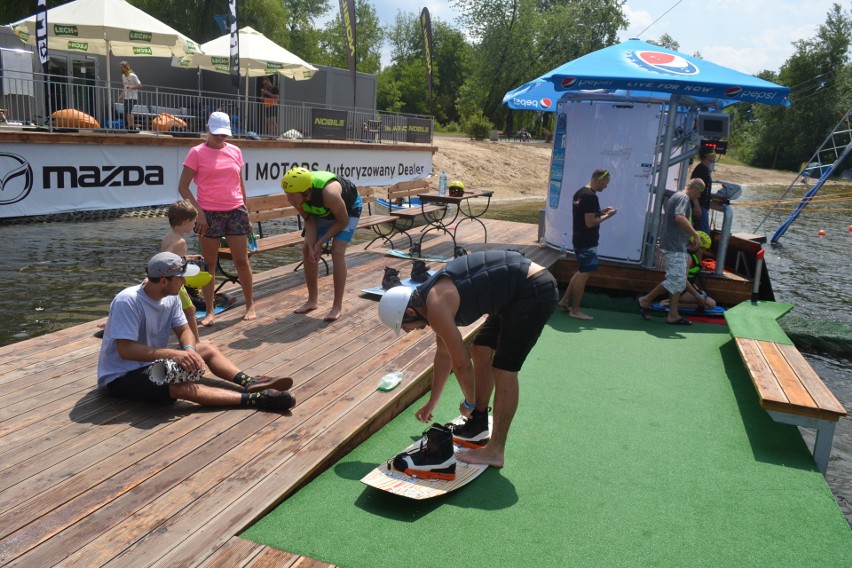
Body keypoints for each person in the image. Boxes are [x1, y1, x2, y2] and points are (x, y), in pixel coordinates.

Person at [378, 250, 558, 470]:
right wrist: (432, 402)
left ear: (410, 311)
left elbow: (461, 363)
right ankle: (478, 422)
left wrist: (469, 401)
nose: (408, 331)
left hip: (533, 290)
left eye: (405, 326)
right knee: (481, 348)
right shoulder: (429, 299)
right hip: (515, 294)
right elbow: (444, 356)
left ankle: (495, 451)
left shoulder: (436, 306)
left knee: (505, 369)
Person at [97, 252, 295, 411]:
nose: (184, 283)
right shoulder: (128, 301)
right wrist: (176, 354)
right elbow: (126, 350)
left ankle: (249, 381)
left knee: (205, 348)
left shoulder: (172, 296)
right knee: (179, 388)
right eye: (180, 279)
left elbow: (184, 329)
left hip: (152, 363)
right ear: (164, 281)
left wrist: (190, 349)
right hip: (121, 376)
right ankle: (256, 399)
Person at [178, 112, 256, 326]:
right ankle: (210, 310)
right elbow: (183, 187)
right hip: (208, 214)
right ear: (208, 128)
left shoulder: (235, 151)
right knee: (209, 264)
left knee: (242, 261)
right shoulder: (196, 153)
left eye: (224, 134)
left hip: (236, 211)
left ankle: (250, 304)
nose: (221, 138)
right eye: (217, 133)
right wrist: (199, 213)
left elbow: (240, 184)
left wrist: (246, 211)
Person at [281, 167, 363, 322]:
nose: (288, 199)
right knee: (307, 250)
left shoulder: (329, 194)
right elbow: (309, 220)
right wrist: (312, 245)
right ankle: (312, 300)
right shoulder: (297, 197)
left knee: (337, 252)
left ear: (305, 192)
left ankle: (337, 306)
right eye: (286, 194)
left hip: (347, 211)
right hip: (323, 212)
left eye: (291, 195)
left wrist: (322, 241)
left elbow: (342, 221)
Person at [637, 179, 705, 325]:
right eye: (701, 192)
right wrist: (695, 234)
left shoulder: (677, 195)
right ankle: (646, 300)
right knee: (676, 280)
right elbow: (679, 217)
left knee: (678, 281)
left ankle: (673, 314)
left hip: (675, 244)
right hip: (674, 246)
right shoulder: (683, 198)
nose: (699, 196)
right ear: (696, 189)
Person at [557, 168, 617, 320]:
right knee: (584, 274)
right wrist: (608, 216)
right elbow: (590, 223)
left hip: (579, 238)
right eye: (606, 183)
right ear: (600, 180)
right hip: (587, 240)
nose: (606, 186)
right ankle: (575, 310)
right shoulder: (590, 196)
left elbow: (585, 214)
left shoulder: (580, 193)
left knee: (581, 270)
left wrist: (601, 211)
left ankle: (564, 301)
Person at [161, 200, 208, 343]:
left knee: (174, 311)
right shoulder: (180, 241)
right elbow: (165, 258)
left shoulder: (169, 236)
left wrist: (189, 257)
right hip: (175, 282)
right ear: (186, 221)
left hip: (166, 281)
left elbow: (174, 257)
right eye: (194, 221)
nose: (195, 224)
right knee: (190, 310)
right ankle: (197, 342)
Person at [690, 147, 715, 233]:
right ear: (707, 156)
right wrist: (696, 206)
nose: (715, 156)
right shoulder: (701, 169)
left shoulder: (705, 169)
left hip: (703, 206)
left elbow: (705, 189)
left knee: (700, 231)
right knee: (704, 233)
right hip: (700, 206)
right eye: (713, 154)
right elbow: (694, 188)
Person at [118, 61, 142, 130]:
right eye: (120, 68)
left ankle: (132, 125)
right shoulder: (123, 76)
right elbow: (124, 86)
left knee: (128, 110)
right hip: (126, 97)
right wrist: (121, 95)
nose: (121, 69)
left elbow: (140, 85)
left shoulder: (133, 75)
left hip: (133, 97)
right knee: (127, 112)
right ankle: (131, 125)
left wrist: (131, 88)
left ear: (126, 67)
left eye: (122, 67)